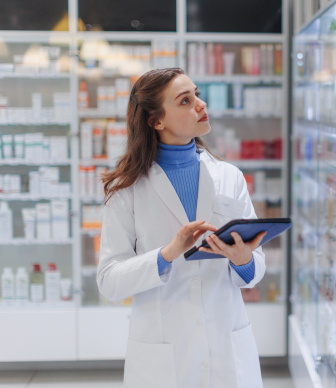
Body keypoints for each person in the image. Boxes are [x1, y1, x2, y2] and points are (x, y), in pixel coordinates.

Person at [96, 68, 267, 388]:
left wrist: (243, 259)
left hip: (226, 348)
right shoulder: (128, 189)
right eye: (186, 100)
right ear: (156, 121)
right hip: (164, 355)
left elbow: (256, 271)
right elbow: (109, 282)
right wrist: (166, 254)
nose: (201, 104)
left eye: (197, 94)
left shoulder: (228, 177)